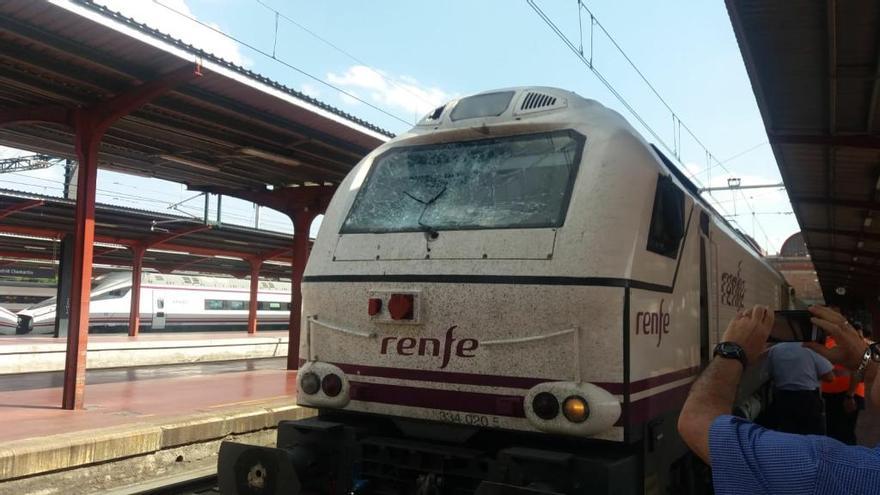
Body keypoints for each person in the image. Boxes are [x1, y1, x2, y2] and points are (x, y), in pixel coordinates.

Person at [677, 305, 880, 494]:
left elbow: (696, 421)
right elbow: (829, 376)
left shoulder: (820, 468)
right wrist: (867, 362)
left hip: (787, 399)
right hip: (809, 401)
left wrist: (731, 350)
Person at [766, 341, 834, 434]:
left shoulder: (775, 349)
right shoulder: (810, 349)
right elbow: (829, 377)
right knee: (812, 436)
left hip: (783, 399)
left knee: (788, 436)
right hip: (808, 400)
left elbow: (769, 373)